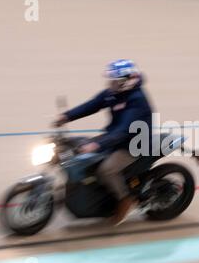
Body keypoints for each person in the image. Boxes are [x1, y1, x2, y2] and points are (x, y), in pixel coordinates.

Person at [54, 59, 153, 225]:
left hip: (132, 145)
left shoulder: (137, 100)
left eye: (114, 80)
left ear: (125, 81)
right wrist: (67, 116)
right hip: (114, 138)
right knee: (76, 150)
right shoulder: (113, 93)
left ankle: (125, 199)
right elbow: (92, 105)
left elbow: (124, 130)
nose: (110, 83)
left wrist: (97, 144)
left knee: (106, 170)